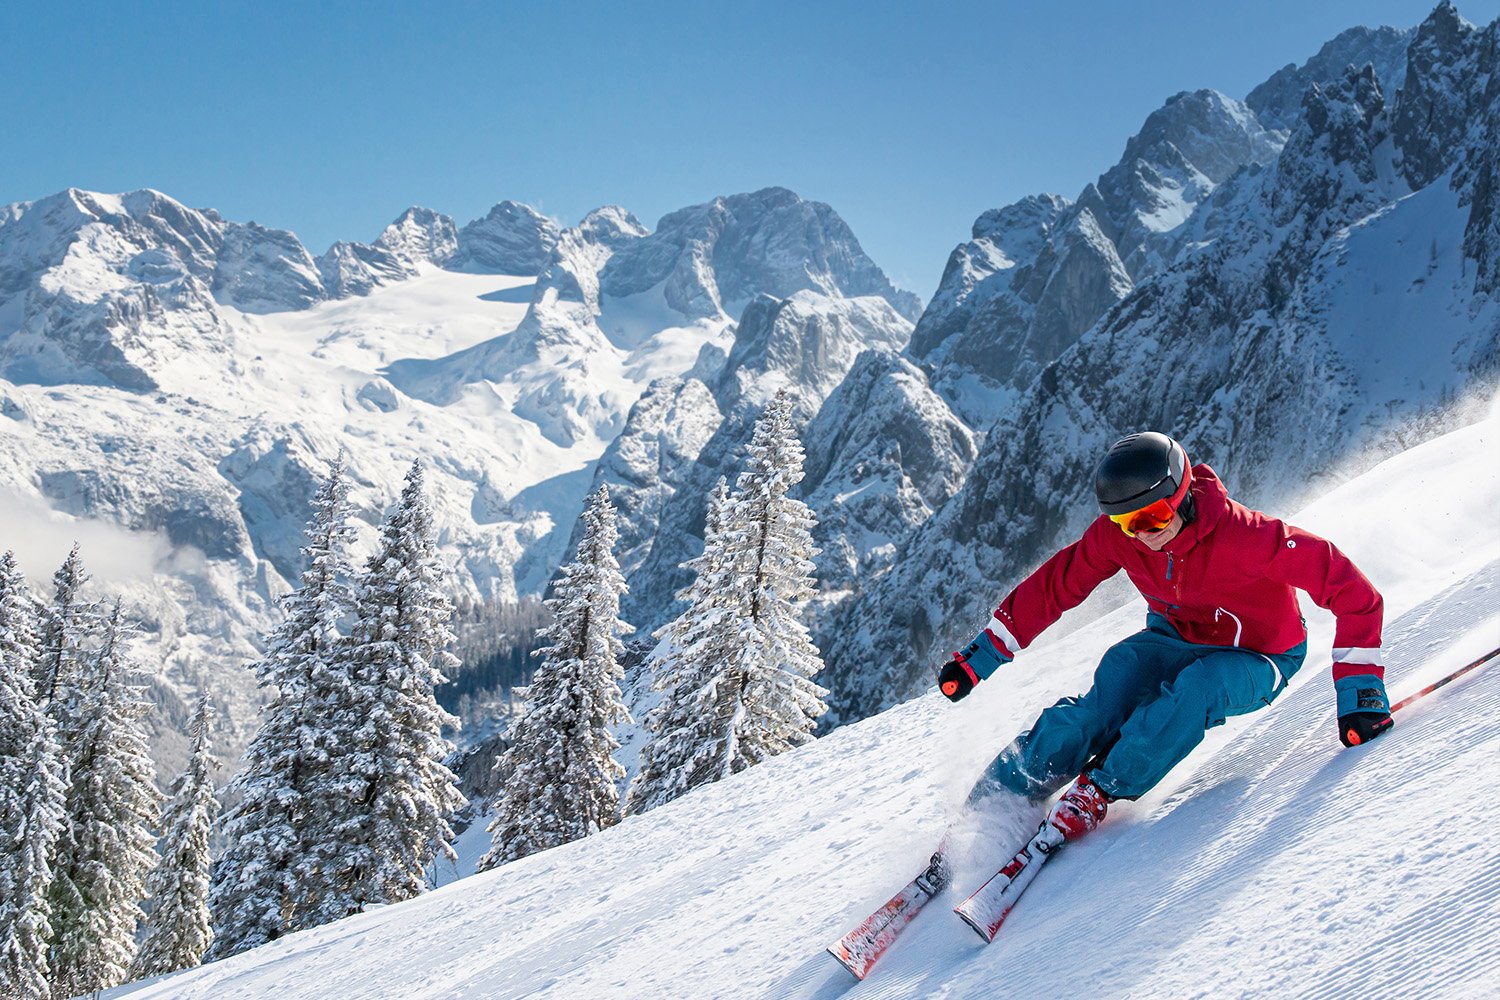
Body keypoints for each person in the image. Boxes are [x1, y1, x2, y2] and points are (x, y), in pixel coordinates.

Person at [937, 431, 1393, 846]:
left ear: (1182, 495)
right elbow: (1058, 584)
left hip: (1259, 654)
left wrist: (1361, 692)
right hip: (1174, 637)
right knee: (1110, 689)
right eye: (1125, 522)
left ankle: (1100, 789)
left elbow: (1351, 590)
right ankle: (997, 800)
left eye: (1152, 518)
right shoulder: (1126, 538)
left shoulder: (1248, 537)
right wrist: (980, 657)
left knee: (1197, 690)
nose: (1142, 535)